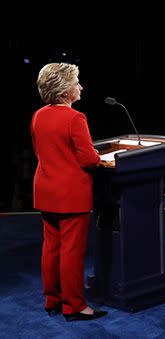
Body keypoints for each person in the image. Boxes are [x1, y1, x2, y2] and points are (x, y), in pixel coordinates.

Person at [32, 63, 109, 321]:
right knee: (71, 252)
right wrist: (103, 160)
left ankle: (52, 300)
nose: (81, 86)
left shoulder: (38, 115)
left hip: (46, 189)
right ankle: (74, 306)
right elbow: (88, 160)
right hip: (71, 194)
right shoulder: (75, 118)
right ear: (65, 89)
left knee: (51, 247)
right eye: (77, 82)